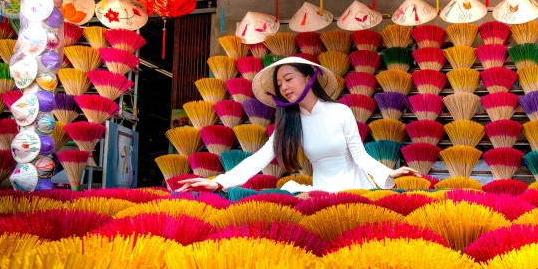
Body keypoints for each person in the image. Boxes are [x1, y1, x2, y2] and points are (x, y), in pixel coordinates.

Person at [177, 56, 420, 193]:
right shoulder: (289, 124)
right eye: (279, 83)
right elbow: (258, 159)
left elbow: (360, 157)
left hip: (357, 191)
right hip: (321, 195)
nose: (283, 87)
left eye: (288, 79)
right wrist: (218, 181)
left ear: (308, 77)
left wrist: (389, 172)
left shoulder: (340, 112)